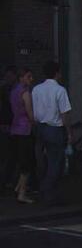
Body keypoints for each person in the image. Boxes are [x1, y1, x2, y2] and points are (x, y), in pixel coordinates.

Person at [32, 61, 73, 206]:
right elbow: (65, 114)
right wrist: (69, 133)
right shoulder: (60, 90)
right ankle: (48, 193)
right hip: (55, 129)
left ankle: (41, 190)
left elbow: (34, 111)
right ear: (57, 73)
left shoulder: (36, 89)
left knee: (42, 161)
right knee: (56, 162)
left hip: (40, 127)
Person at [10, 68, 35, 203]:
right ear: (21, 78)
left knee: (21, 160)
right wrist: (34, 123)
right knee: (27, 163)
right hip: (25, 129)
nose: (31, 79)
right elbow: (30, 113)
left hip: (15, 129)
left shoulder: (13, 92)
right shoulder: (25, 93)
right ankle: (22, 193)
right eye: (28, 76)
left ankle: (18, 187)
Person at [0, 66, 17, 193]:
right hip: (6, 126)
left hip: (11, 126)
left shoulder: (11, 89)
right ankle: (4, 182)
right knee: (7, 156)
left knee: (10, 156)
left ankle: (7, 181)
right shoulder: (5, 90)